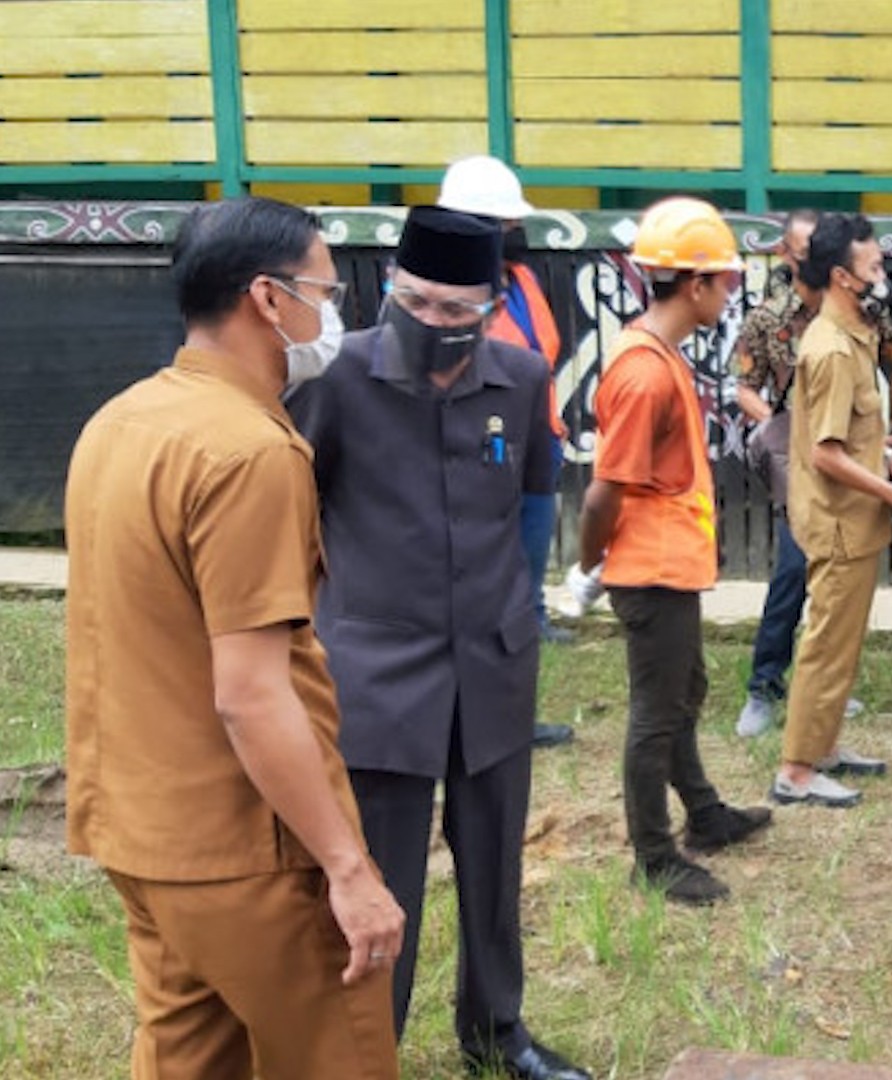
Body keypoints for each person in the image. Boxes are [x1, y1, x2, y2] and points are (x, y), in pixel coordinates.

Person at [65, 196, 404, 1078]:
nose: (333, 316)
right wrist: (349, 869)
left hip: (140, 833)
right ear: (267, 298)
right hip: (251, 849)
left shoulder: (120, 422)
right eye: (326, 292)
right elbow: (252, 691)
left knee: (189, 1061)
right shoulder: (252, 451)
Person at [287, 206, 590, 1080]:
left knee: (494, 865)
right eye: (421, 303)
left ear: (494, 305)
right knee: (382, 882)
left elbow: (533, 516)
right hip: (379, 671)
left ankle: (498, 1032)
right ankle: (365, 1044)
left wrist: (517, 620)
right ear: (392, 289)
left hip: (491, 667)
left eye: (462, 311)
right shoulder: (334, 378)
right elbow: (291, 511)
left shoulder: (524, 378)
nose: (439, 324)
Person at [568, 197, 773, 906]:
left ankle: (705, 814)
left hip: (670, 564)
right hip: (647, 570)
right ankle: (654, 856)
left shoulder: (657, 356)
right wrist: (585, 564)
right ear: (695, 286)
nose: (730, 294)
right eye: (726, 282)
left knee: (684, 692)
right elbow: (604, 492)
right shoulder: (645, 372)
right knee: (656, 713)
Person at [774, 211, 892, 807]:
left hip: (854, 517)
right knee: (825, 642)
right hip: (838, 522)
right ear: (844, 277)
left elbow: (852, 437)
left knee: (842, 642)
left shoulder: (856, 335)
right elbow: (825, 454)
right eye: (874, 265)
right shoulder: (831, 350)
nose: (883, 273)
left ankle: (824, 746)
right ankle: (796, 770)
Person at [733, 210, 892, 737]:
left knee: (833, 587)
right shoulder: (770, 318)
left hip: (851, 454)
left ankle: (824, 697)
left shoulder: (864, 315)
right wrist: (778, 424)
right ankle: (766, 688)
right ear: (788, 256)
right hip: (802, 455)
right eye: (802, 248)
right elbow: (743, 385)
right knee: (794, 572)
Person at [438, 154, 578, 751]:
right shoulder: (437, 294)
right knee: (487, 590)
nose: (509, 234)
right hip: (482, 450)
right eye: (498, 223)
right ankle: (484, 715)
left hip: (535, 440)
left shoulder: (519, 281)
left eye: (509, 225)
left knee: (522, 575)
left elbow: (537, 354)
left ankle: (509, 708)